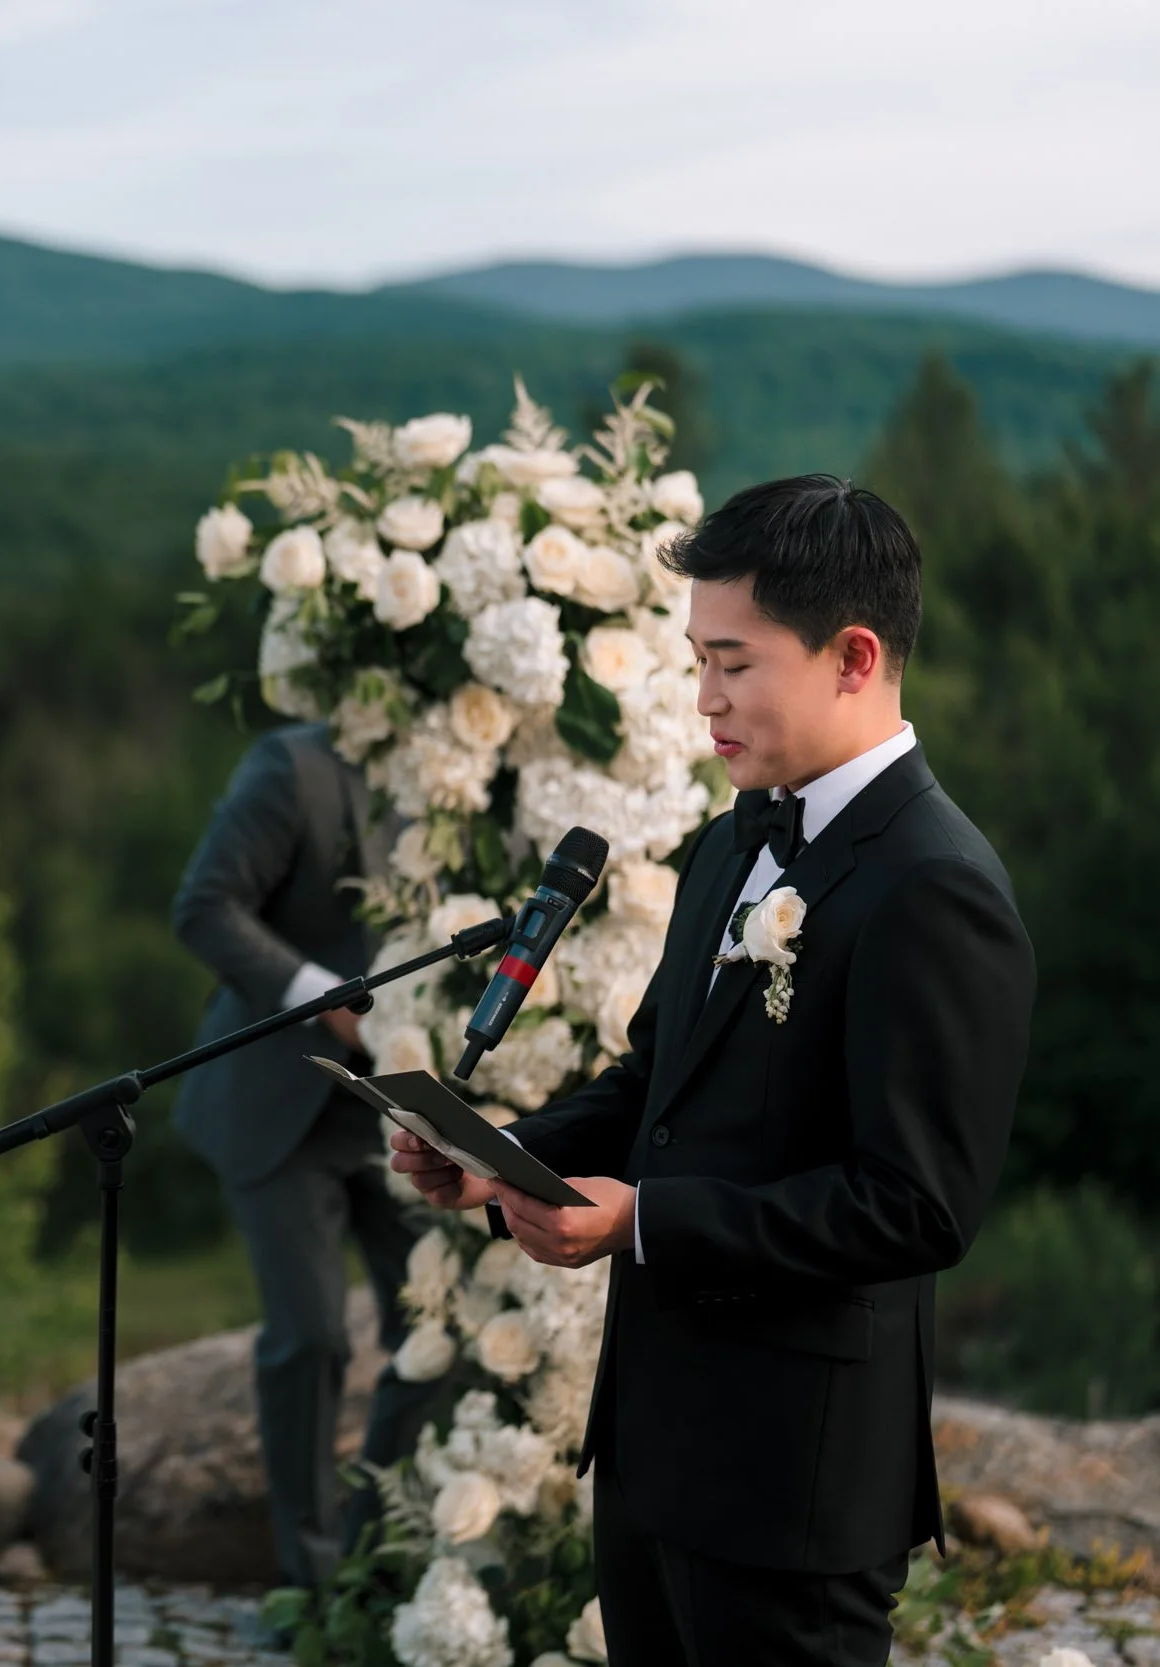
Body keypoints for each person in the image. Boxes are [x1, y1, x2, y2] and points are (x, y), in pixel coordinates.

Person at [394, 477, 1034, 1667]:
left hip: (795, 1482)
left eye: (733, 664)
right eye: (696, 660)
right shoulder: (733, 838)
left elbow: (918, 1202)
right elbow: (658, 1083)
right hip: (650, 1450)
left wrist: (645, 1223)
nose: (703, 701)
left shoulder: (935, 886)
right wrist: (502, 1158)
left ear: (852, 656)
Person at [171, 720, 437, 1590]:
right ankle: (310, 1582)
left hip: (402, 1106)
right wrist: (324, 1000)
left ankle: (377, 1559)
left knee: (438, 1332)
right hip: (277, 1096)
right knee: (312, 1338)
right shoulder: (296, 768)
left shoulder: (500, 771)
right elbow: (204, 907)